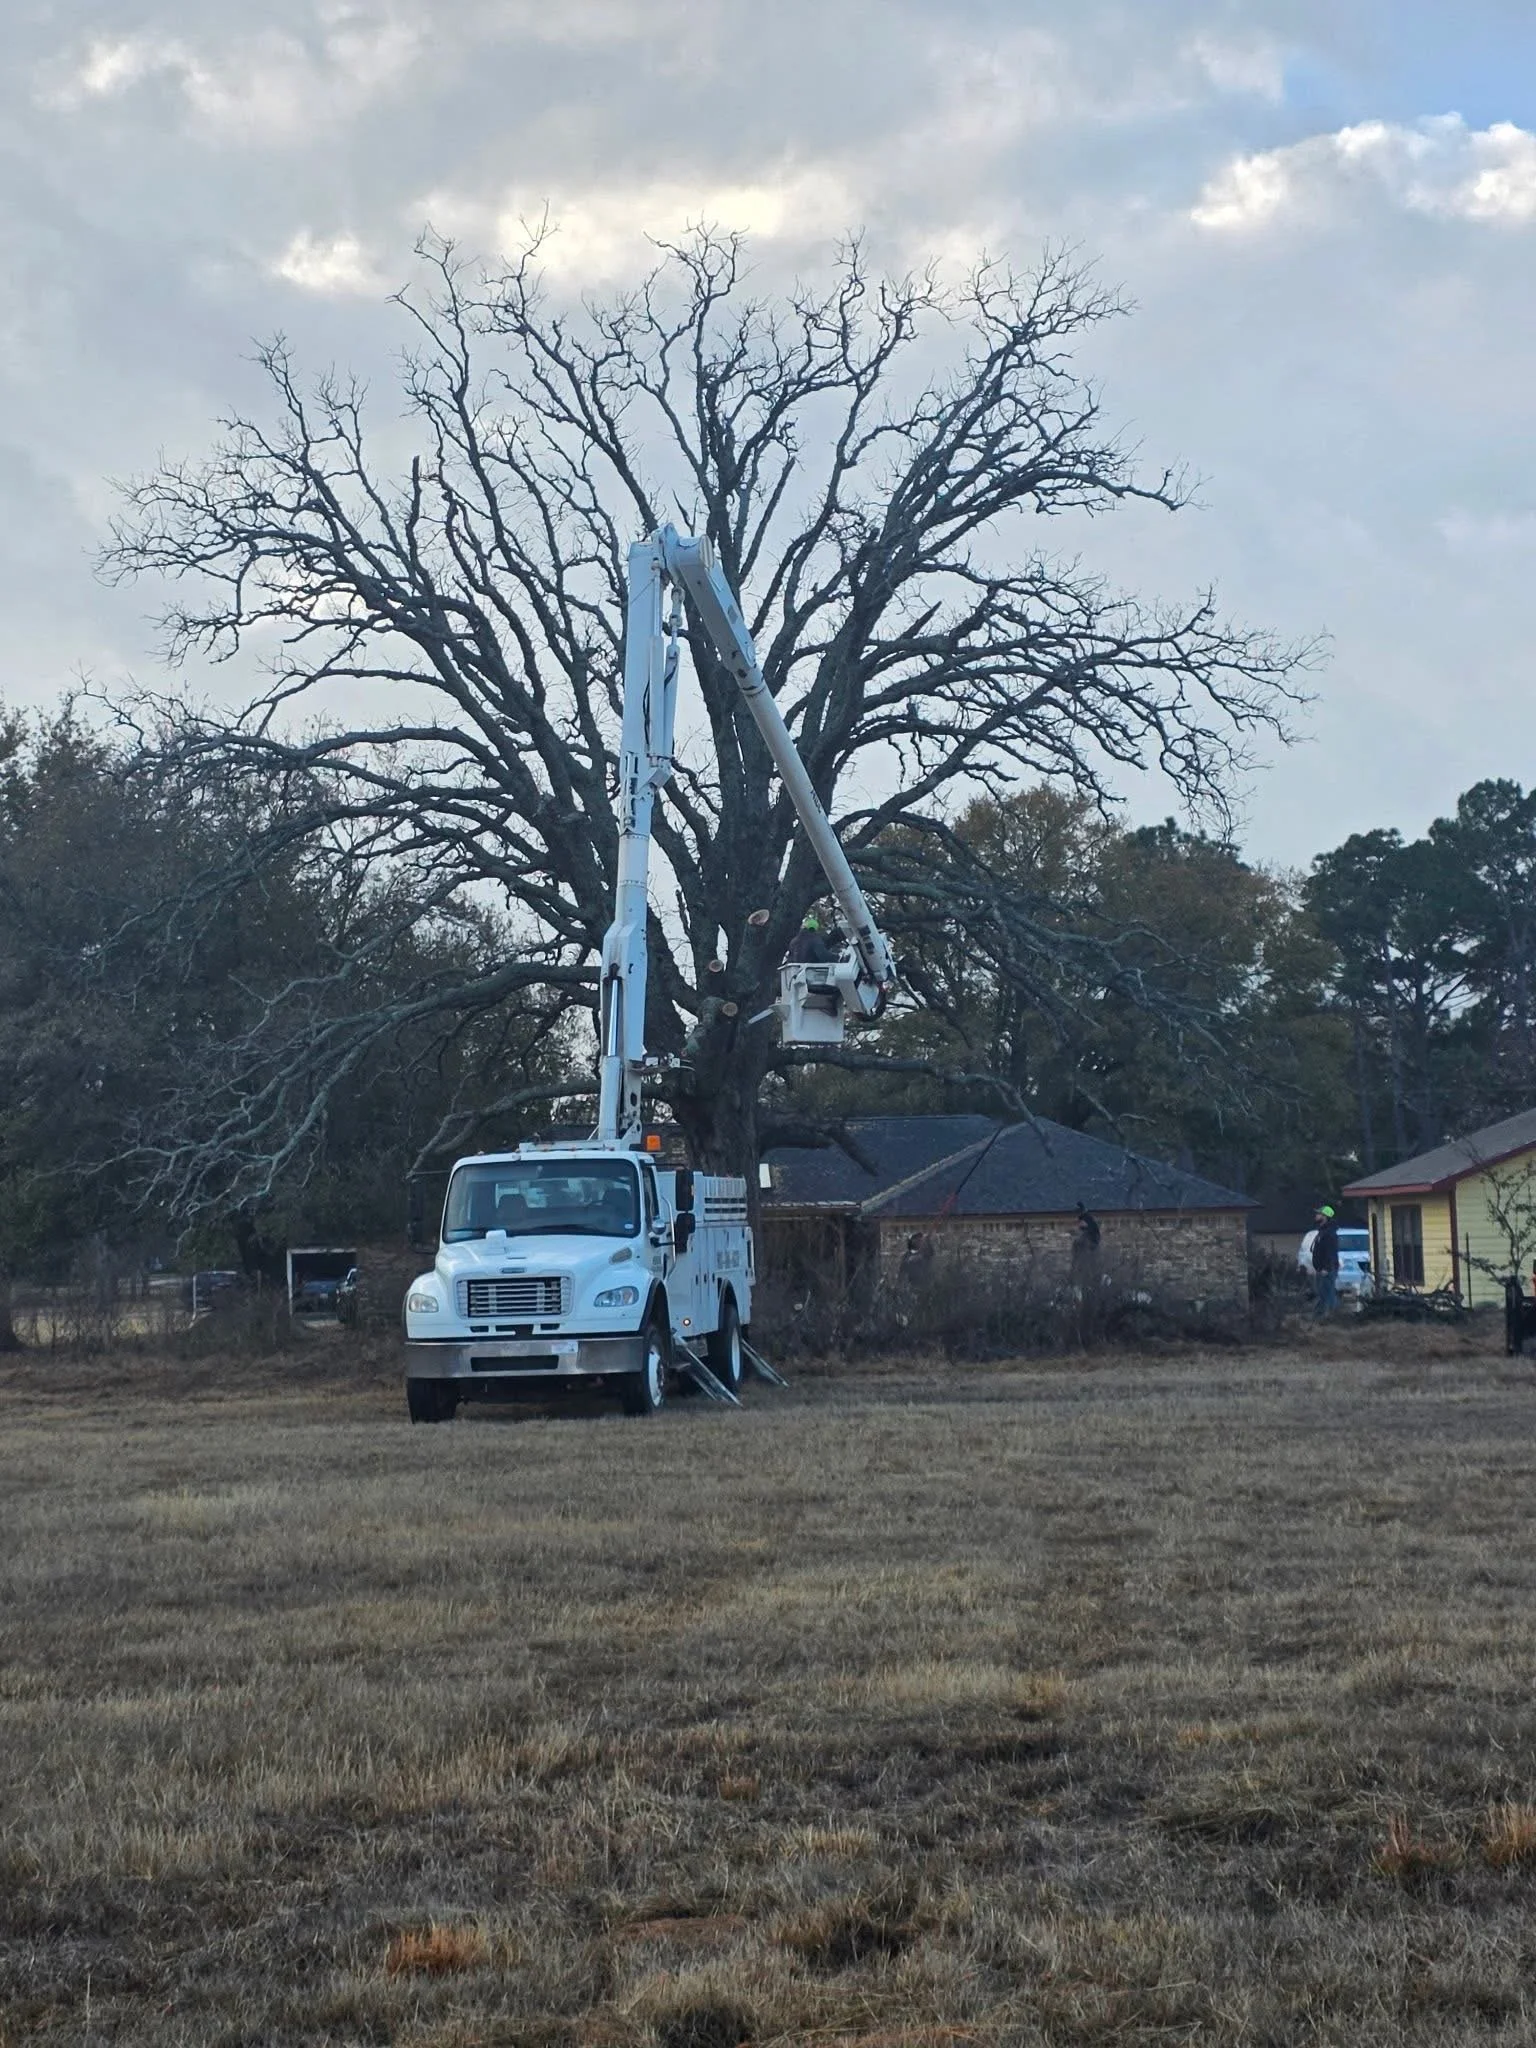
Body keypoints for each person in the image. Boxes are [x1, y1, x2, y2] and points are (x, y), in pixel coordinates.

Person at [1311, 1204, 1340, 1317]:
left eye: (1319, 1214)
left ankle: (1330, 1317)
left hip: (1327, 1269)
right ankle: (1327, 1315)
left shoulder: (1329, 1233)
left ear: (1325, 1216)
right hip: (1322, 1268)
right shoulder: (1323, 1231)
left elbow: (1330, 1252)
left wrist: (1326, 1268)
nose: (1316, 1216)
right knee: (1325, 1293)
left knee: (1327, 1294)